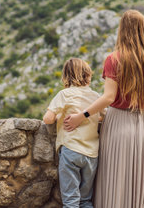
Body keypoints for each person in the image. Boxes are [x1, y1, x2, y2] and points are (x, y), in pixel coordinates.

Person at [64, 9, 144, 208]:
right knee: (142, 184)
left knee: (115, 182)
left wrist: (82, 116)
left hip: (118, 124)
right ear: (143, 30)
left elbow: (108, 97)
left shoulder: (114, 59)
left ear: (122, 30)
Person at [43, 58, 102, 208]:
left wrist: (58, 116)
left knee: (71, 200)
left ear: (66, 76)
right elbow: (103, 115)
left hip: (71, 150)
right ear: (88, 75)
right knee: (85, 200)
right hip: (91, 154)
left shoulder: (64, 94)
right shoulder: (95, 96)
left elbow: (48, 119)